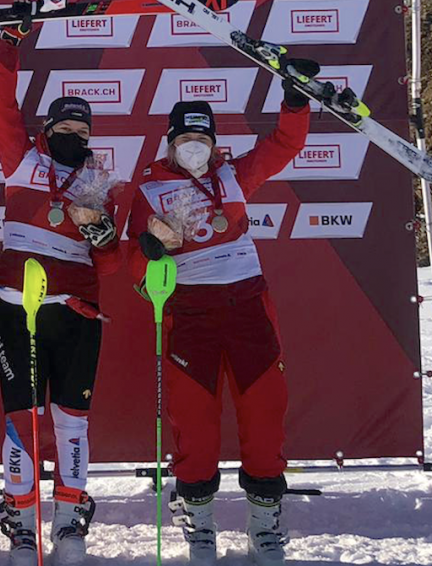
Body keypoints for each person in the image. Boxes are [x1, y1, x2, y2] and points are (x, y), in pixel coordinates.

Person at [126, 58, 320, 565]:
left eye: (204, 138)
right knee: (196, 423)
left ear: (214, 141)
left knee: (264, 415)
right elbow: (131, 263)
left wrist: (296, 100)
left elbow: (284, 145)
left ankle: (264, 525)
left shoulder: (233, 175)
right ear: (170, 141)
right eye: (186, 138)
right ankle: (199, 520)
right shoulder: (146, 189)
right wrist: (150, 244)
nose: (195, 147)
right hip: (190, 313)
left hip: (247, 305)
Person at [0, 20, 122, 566]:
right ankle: (23, 522)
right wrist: (10, 41)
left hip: (78, 313)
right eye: (67, 127)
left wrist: (105, 237)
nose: (76, 137)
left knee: (71, 421)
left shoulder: (102, 183)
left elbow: (110, 266)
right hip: (19, 309)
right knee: (22, 418)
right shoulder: (23, 159)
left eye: (84, 132)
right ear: (48, 129)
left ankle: (68, 524)